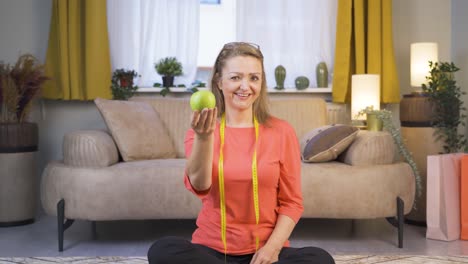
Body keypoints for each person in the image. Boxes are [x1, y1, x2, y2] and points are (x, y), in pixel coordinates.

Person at [147, 42, 335, 264]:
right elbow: (199, 185)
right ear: (219, 81)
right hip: (212, 251)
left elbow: (292, 203)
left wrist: (271, 250)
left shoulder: (281, 131)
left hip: (266, 253)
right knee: (162, 250)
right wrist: (204, 137)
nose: (245, 86)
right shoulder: (200, 131)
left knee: (320, 259)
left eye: (253, 78)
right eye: (236, 77)